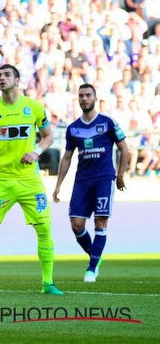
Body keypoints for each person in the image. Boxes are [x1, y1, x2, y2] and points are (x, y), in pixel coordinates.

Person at [0, 64, 62, 295]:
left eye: (6, 75)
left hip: (29, 179)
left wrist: (36, 152)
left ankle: (48, 283)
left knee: (44, 227)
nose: (2, 78)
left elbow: (48, 137)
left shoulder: (34, 107)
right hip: (0, 179)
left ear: (18, 80)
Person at [53, 83, 129, 282]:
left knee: (100, 221)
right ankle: (96, 256)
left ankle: (92, 268)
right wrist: (58, 184)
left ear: (95, 98)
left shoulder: (108, 122)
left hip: (104, 179)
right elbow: (67, 157)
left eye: (88, 95)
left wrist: (120, 175)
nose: (84, 98)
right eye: (81, 96)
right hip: (82, 181)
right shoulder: (73, 128)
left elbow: (125, 149)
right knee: (76, 225)